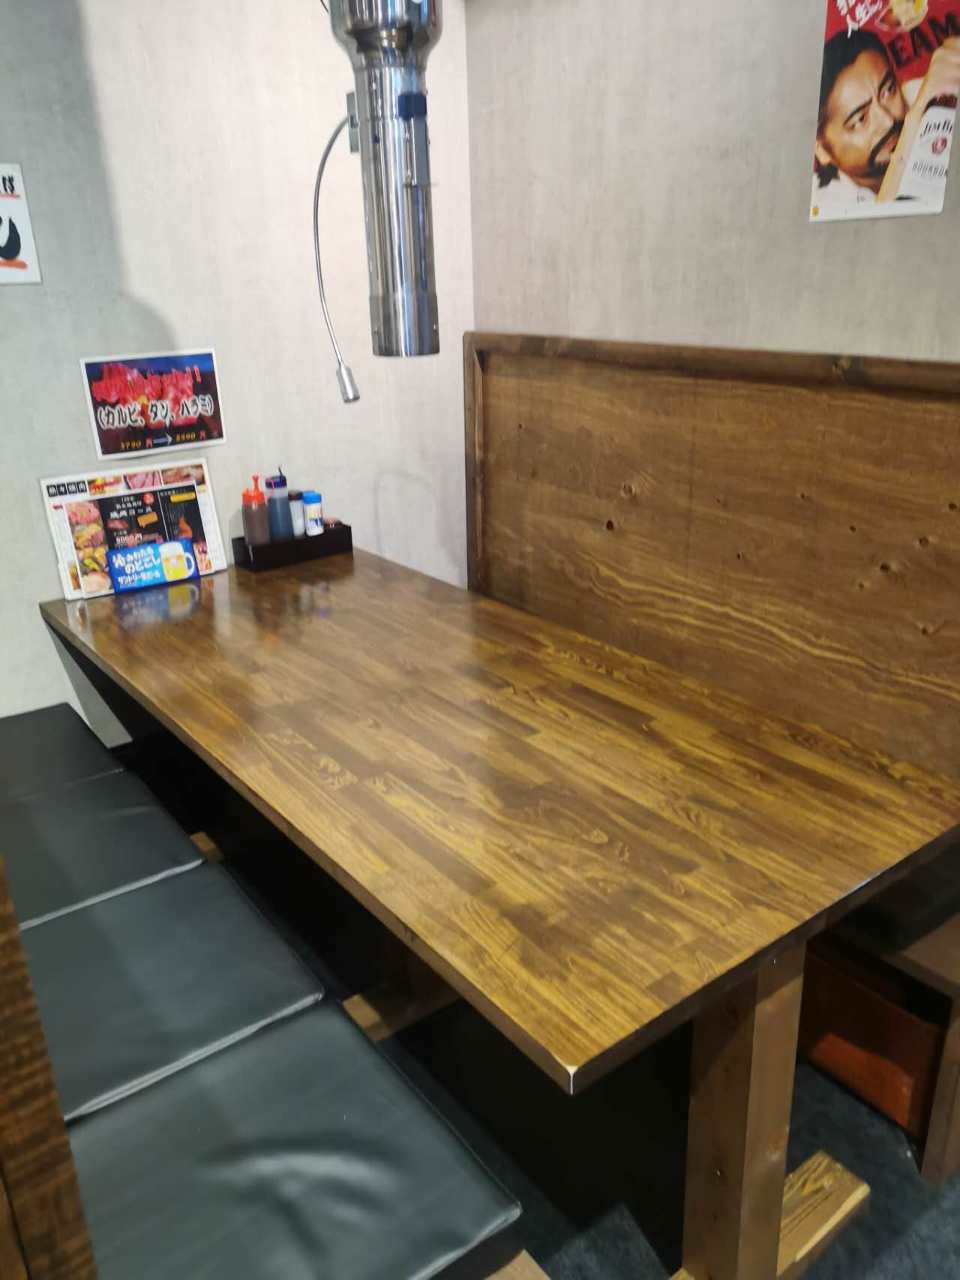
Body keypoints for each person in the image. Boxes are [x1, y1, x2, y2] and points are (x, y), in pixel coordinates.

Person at [813, 28, 960, 212]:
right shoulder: (821, 203)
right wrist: (914, 121)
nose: (887, 120)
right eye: (860, 119)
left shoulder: (931, 93)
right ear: (821, 150)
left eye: (888, 91)